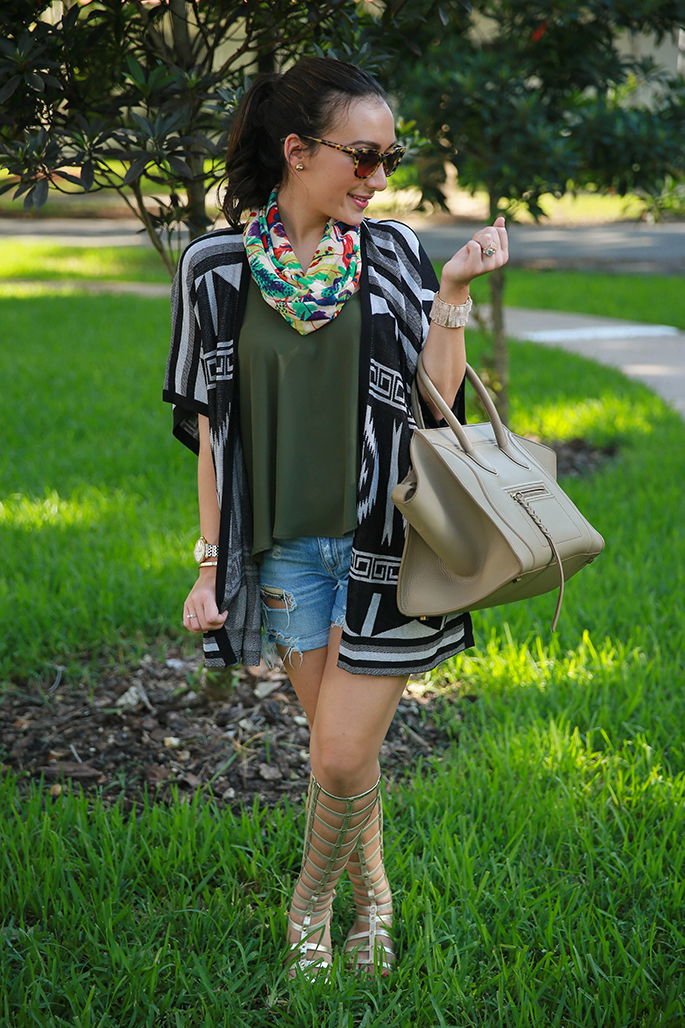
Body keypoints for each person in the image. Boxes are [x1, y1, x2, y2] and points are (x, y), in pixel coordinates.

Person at [163, 56, 507, 979]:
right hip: (281, 553)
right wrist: (209, 566)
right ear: (297, 150)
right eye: (362, 156)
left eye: (388, 157)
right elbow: (210, 434)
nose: (378, 178)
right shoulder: (213, 270)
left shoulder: (389, 252)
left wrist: (452, 297)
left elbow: (435, 405)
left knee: (343, 750)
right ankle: (375, 899)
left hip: (383, 546)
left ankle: (312, 908)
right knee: (336, 757)